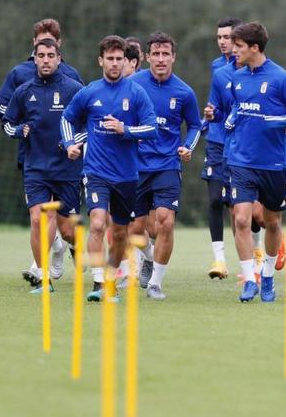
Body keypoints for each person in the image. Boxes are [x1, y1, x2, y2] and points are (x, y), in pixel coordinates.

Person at [61, 35, 158, 301]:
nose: (115, 64)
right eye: (110, 59)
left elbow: (152, 129)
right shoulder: (90, 92)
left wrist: (125, 129)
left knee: (119, 233)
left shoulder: (136, 93)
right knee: (97, 223)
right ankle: (98, 283)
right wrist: (69, 143)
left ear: (125, 61)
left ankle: (112, 275)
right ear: (100, 60)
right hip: (95, 172)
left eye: (119, 59)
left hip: (126, 175)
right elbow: (67, 119)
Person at [0, 18, 84, 276]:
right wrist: (20, 129)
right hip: (34, 163)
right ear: (34, 53)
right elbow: (4, 114)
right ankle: (41, 273)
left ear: (59, 55)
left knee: (67, 228)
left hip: (67, 166)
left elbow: (89, 120)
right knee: (39, 218)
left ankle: (70, 246)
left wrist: (75, 141)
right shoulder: (21, 84)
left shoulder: (74, 84)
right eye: (40, 54)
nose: (45, 59)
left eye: (50, 54)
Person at [225, 22, 286, 302]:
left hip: (273, 164)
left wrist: (276, 121)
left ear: (255, 48)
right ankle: (250, 279)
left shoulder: (281, 78)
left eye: (239, 46)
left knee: (272, 223)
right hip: (241, 161)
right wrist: (232, 118)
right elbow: (237, 106)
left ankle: (268, 275)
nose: (233, 50)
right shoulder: (236, 78)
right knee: (241, 219)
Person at [126, 32, 201, 300]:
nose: (160, 59)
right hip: (134, 166)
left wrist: (187, 147)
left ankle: (156, 283)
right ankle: (148, 258)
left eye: (165, 54)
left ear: (173, 57)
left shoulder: (184, 91)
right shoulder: (132, 85)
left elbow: (194, 125)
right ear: (146, 57)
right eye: (155, 54)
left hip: (167, 165)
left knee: (165, 223)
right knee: (136, 228)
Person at [201, 17, 241, 280]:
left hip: (242, 144)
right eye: (220, 38)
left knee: (240, 207)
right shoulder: (218, 68)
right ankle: (220, 261)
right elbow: (214, 105)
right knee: (215, 198)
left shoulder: (253, 67)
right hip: (217, 141)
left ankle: (257, 258)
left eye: (228, 37)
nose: (224, 42)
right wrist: (209, 115)